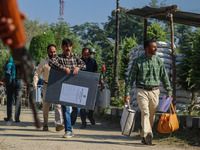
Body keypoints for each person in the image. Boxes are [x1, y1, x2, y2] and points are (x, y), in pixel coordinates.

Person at [124, 39, 172, 145]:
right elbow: (131, 79)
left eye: (156, 46)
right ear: (147, 49)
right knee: (145, 113)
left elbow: (164, 77)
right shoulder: (137, 61)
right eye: (153, 47)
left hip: (155, 92)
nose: (156, 48)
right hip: (142, 91)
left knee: (151, 115)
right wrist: (127, 94)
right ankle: (148, 134)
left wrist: (169, 90)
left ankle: (144, 136)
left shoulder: (158, 61)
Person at [49, 38, 86, 138]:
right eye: (66, 46)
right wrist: (63, 68)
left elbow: (83, 64)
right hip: (64, 88)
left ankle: (70, 125)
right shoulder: (59, 58)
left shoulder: (75, 57)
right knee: (65, 109)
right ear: (62, 47)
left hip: (75, 88)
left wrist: (78, 67)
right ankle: (68, 130)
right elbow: (51, 62)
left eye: (69, 46)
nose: (68, 48)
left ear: (71, 47)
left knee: (77, 109)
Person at [33, 44, 64, 131]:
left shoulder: (60, 61)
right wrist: (35, 83)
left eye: (54, 51)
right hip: (47, 85)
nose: (53, 53)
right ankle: (45, 124)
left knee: (57, 106)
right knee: (46, 106)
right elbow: (37, 74)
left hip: (56, 85)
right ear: (47, 52)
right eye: (51, 52)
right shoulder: (43, 62)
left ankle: (58, 124)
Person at [79, 47, 98, 129]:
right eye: (84, 54)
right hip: (81, 85)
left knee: (91, 104)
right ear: (82, 54)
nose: (86, 56)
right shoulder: (78, 62)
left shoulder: (93, 62)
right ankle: (83, 122)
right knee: (82, 105)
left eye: (87, 54)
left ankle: (90, 115)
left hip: (91, 85)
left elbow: (96, 73)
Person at [4, 57, 16, 121]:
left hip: (9, 83)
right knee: (12, 99)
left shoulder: (9, 65)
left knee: (9, 100)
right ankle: (13, 117)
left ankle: (9, 117)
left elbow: (8, 73)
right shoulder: (14, 64)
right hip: (14, 83)